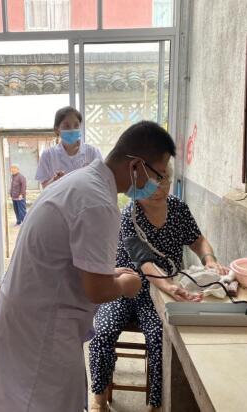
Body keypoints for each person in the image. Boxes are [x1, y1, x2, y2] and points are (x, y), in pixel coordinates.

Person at [0, 121, 180, 412]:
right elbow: (98, 290)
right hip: (43, 324)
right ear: (136, 166)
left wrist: (111, 273)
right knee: (37, 401)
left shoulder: (84, 181)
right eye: (158, 175)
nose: (158, 184)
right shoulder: (98, 203)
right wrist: (127, 283)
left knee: (17, 397)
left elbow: (73, 261)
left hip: (30, 308)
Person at [88, 162, 227, 412]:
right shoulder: (129, 215)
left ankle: (157, 403)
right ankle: (99, 401)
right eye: (150, 182)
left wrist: (209, 259)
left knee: (160, 337)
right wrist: (169, 285)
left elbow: (198, 240)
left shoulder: (178, 209)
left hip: (158, 295)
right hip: (123, 288)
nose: (159, 187)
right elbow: (145, 262)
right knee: (103, 331)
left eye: (163, 179)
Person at [35, 106, 103, 188]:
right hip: (59, 196)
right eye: (67, 126)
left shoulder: (92, 152)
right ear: (57, 129)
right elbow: (45, 186)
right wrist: (55, 180)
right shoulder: (48, 155)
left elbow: (102, 181)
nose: (72, 130)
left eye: (76, 125)